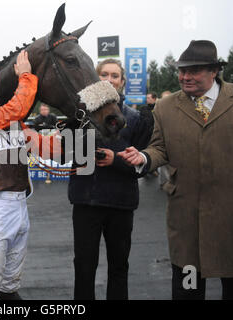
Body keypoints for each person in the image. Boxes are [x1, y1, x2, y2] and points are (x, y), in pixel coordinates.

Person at [117, 40, 233, 300]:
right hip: (186, 219)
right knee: (188, 289)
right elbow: (159, 148)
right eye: (181, 71)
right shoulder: (165, 107)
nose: (184, 77)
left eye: (193, 71)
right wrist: (142, 156)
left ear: (214, 71)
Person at [0, 50, 61, 300]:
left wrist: (75, 138)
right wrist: (25, 76)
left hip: (20, 210)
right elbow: (12, 111)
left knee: (10, 285)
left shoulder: (13, 123)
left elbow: (47, 148)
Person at [68, 58, 152, 299]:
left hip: (121, 203)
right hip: (86, 202)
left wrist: (115, 159)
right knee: (84, 268)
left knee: (119, 266)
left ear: (122, 82)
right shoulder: (77, 115)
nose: (109, 79)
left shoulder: (136, 119)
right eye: (103, 74)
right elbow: (66, 152)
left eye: (115, 76)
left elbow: (146, 165)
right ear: (96, 80)